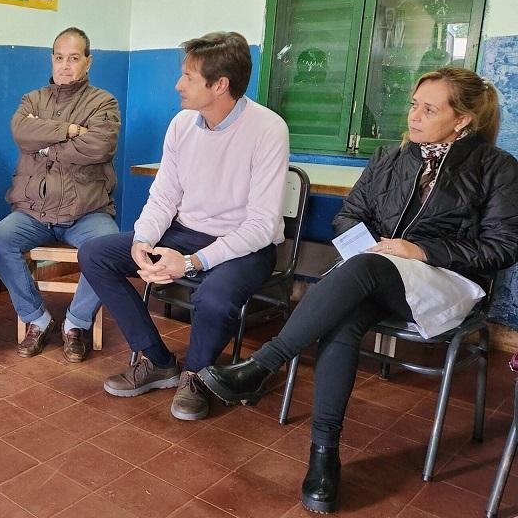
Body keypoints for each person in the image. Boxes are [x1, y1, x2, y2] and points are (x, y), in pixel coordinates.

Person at [199, 67, 518, 514]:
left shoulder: (496, 168)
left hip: (447, 282)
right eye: (413, 104)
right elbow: (348, 217)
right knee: (345, 319)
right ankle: (324, 456)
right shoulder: (390, 158)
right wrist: (370, 247)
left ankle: (264, 364)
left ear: (462, 119)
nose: (415, 116)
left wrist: (422, 251)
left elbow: (501, 248)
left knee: (364, 271)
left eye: (430, 109)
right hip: (375, 276)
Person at [79, 31, 289, 421]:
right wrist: (143, 239)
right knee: (95, 254)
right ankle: (158, 361)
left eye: (189, 77)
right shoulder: (181, 125)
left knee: (212, 296)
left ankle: (196, 376)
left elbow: (261, 225)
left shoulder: (268, 129)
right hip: (186, 232)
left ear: (220, 84)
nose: (178, 85)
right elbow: (164, 195)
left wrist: (192, 263)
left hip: (246, 246)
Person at [0, 27, 121, 363]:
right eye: (59, 57)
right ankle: (38, 319)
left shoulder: (104, 102)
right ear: (52, 59)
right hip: (34, 210)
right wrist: (70, 131)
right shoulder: (32, 99)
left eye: (74, 58)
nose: (65, 65)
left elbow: (99, 146)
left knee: (107, 248)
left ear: (88, 62)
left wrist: (45, 145)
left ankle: (76, 324)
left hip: (87, 211)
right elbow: (21, 132)